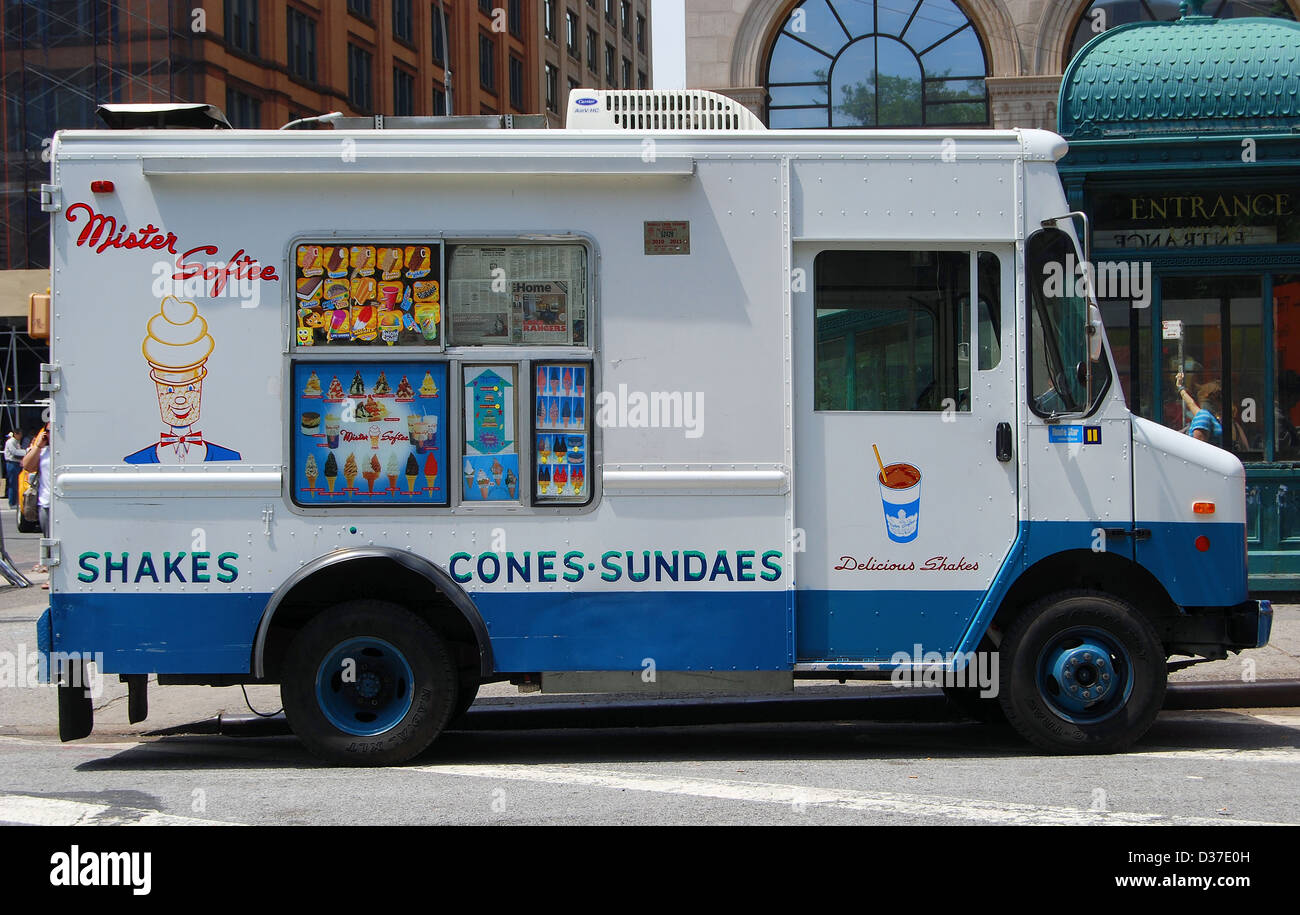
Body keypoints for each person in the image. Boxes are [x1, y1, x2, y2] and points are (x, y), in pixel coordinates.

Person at [1175, 372, 1248, 449]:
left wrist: (1180, 387)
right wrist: (1180, 387)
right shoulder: (1205, 416)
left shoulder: (1206, 416)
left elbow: (1191, 403)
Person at [21, 423, 51, 588]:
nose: (49, 433)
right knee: (48, 539)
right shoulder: (42, 450)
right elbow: (27, 465)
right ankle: (51, 575)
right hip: (45, 501)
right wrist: (38, 446)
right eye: (47, 431)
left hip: (62, 502)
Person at [3, 430, 21, 507]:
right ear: (16, 434)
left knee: (16, 483)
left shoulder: (16, 442)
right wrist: (26, 452)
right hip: (12, 463)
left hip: (17, 463)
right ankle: (12, 502)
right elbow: (15, 452)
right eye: (20, 434)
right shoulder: (10, 442)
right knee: (12, 483)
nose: (21, 436)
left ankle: (16, 501)